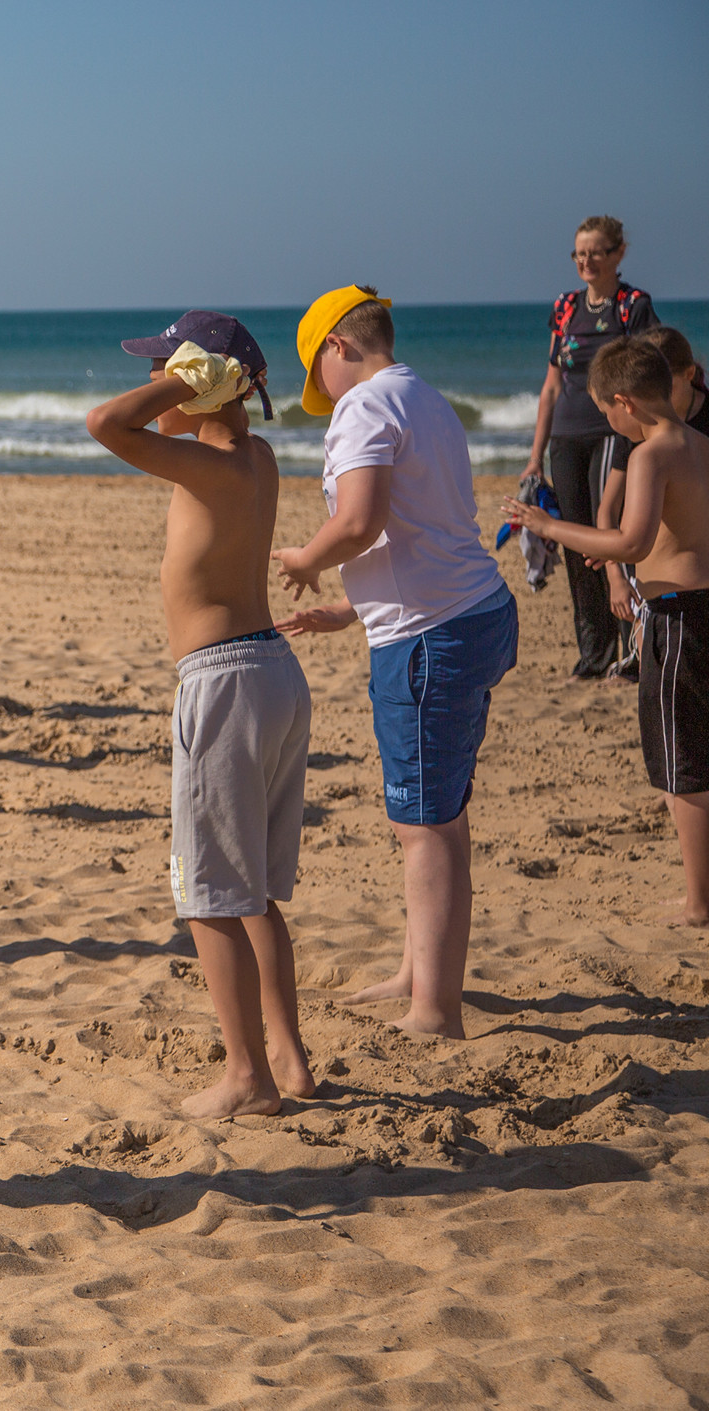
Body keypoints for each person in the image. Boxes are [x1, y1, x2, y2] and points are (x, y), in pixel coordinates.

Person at [86, 311, 316, 1118]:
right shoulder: (256, 456)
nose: (163, 385)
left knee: (212, 892)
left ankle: (246, 1076)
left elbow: (105, 423)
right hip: (273, 673)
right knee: (252, 888)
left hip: (222, 681)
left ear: (204, 383)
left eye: (174, 370)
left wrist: (181, 385)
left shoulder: (208, 464)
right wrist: (205, 386)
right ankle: (288, 1054)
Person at [272, 287, 517, 1041]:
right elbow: (426, 528)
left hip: (429, 637)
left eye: (321, 373)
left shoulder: (366, 406)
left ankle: (435, 1010)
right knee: (441, 813)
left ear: (339, 347)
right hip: (469, 612)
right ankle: (421, 971)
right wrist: (352, 609)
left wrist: (309, 559)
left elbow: (360, 520)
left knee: (422, 826)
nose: (325, 393)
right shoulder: (426, 397)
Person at [506, 337, 709, 927]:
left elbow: (630, 542)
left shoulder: (650, 453)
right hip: (699, 605)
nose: (609, 424)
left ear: (624, 401)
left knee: (681, 763)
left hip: (677, 618)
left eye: (606, 413)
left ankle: (699, 903)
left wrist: (551, 526)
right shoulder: (699, 441)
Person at [524, 217, 660, 678]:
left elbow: (649, 374)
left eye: (596, 252)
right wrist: (533, 458)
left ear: (619, 254)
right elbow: (550, 388)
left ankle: (632, 648)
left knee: (613, 541)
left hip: (614, 437)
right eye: (579, 253)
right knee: (576, 543)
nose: (586, 261)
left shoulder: (633, 306)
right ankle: (594, 653)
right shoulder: (565, 307)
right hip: (565, 438)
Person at [595, 327, 709, 671]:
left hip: (678, 607)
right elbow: (608, 509)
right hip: (664, 601)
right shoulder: (639, 434)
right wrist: (616, 577)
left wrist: (549, 526)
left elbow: (632, 544)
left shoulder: (652, 444)